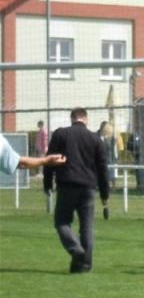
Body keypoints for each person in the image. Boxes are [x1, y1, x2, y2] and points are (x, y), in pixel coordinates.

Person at [43, 107, 109, 274]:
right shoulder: (95, 139)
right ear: (86, 119)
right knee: (87, 227)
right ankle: (85, 265)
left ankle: (77, 251)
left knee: (62, 222)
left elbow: (49, 160)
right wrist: (104, 194)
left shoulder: (60, 134)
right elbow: (102, 168)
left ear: (72, 118)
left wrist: (47, 183)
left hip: (67, 185)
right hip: (88, 187)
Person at [0, 134, 64, 175]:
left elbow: (17, 163)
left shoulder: (1, 141)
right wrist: (45, 160)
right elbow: (18, 163)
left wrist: (46, 160)